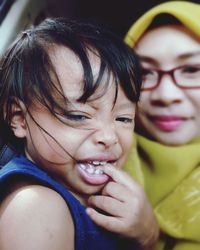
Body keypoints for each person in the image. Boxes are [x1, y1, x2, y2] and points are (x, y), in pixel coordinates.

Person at [0, 17, 158, 250]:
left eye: (124, 118)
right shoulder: (36, 208)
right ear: (19, 119)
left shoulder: (90, 192)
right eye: (78, 116)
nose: (109, 136)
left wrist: (147, 235)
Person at [123, 1, 200, 250]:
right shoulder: (92, 161)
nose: (166, 95)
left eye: (191, 69)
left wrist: (148, 239)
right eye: (144, 73)